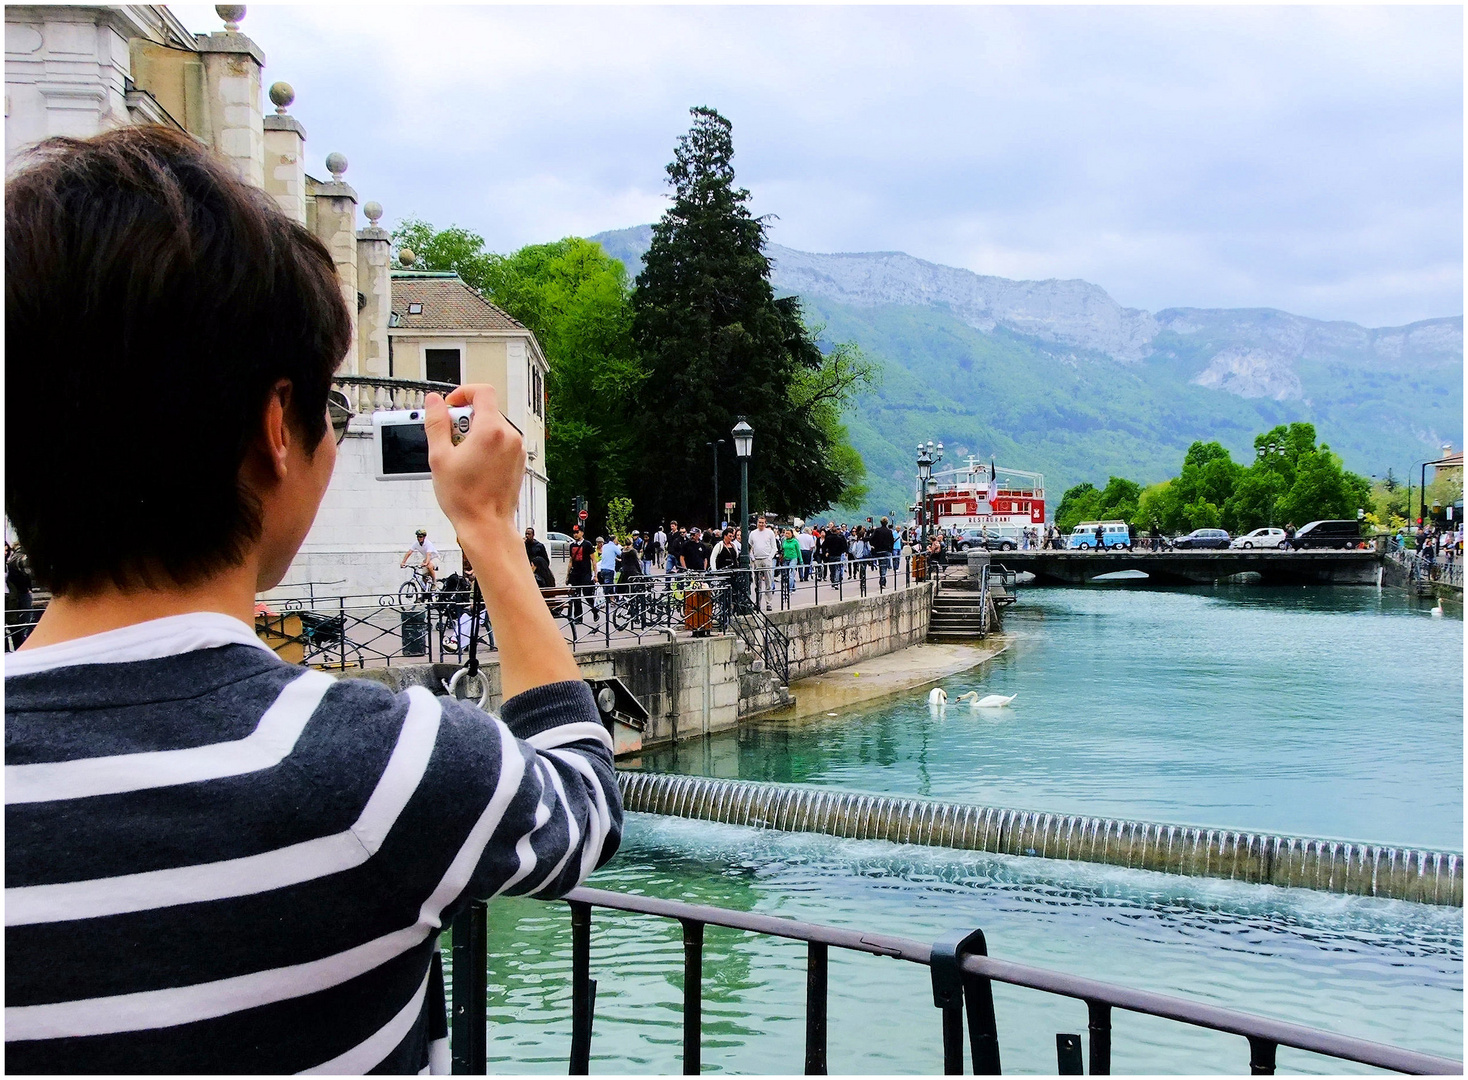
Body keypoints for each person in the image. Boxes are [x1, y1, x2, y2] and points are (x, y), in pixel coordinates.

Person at [4, 126, 621, 1074]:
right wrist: (493, 534)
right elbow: (580, 804)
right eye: (328, 412)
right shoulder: (373, 766)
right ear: (273, 432)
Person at [6, 542, 36, 650]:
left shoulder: (11, 560)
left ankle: (15, 648)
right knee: (21, 623)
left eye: (6, 550)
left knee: (16, 624)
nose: (5, 552)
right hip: (18, 594)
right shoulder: (21, 557)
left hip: (14, 595)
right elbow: (28, 573)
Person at [566, 524, 598, 625]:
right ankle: (578, 617)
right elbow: (571, 561)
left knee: (587, 594)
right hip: (575, 574)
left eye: (577, 532)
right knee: (576, 596)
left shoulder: (587, 544)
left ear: (582, 533)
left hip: (585, 573)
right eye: (574, 532)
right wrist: (567, 576)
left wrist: (595, 575)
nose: (575, 534)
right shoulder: (572, 545)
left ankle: (594, 609)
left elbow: (593, 560)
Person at [748, 515, 779, 610]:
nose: (761, 524)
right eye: (759, 522)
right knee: (757, 583)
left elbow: (774, 547)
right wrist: (752, 557)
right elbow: (750, 547)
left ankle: (768, 603)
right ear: (757, 523)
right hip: (757, 559)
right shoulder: (753, 533)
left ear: (765, 523)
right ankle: (758, 602)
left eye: (763, 522)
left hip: (766, 558)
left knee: (768, 582)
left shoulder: (770, 533)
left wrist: (770, 557)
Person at [870, 517, 895, 589]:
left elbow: (871, 538)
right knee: (884, 566)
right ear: (887, 523)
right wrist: (891, 549)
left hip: (878, 550)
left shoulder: (877, 530)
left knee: (881, 565)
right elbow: (892, 541)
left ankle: (882, 579)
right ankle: (882, 581)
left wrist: (874, 545)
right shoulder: (889, 531)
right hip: (886, 550)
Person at [780, 527, 801, 600]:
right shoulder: (784, 541)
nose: (787, 535)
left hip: (793, 558)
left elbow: (798, 551)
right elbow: (782, 549)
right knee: (786, 575)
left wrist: (800, 560)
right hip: (786, 558)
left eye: (788, 533)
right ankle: (792, 586)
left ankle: (789, 589)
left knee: (790, 574)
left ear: (792, 534)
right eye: (786, 533)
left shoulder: (795, 541)